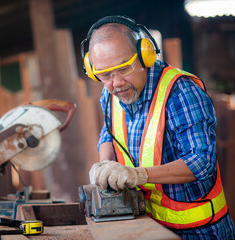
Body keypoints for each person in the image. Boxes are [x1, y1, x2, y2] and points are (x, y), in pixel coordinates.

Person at [82, 15, 235, 239]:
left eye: (124, 69)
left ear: (146, 55)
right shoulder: (111, 93)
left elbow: (202, 162)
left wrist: (138, 175)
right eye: (105, 75)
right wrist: (106, 162)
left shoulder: (181, 92)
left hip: (199, 231)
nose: (115, 83)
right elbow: (109, 131)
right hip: (149, 227)